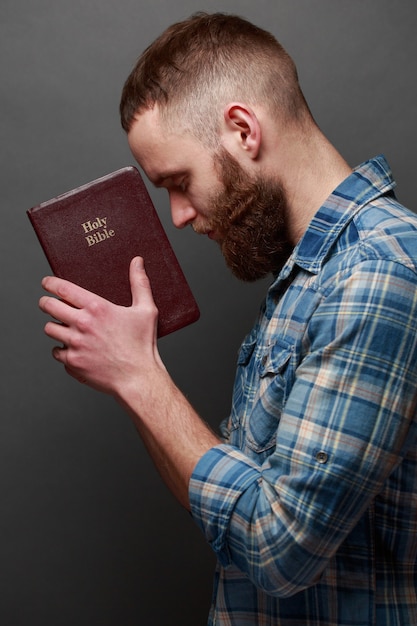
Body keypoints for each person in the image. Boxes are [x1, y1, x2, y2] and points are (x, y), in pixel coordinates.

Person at [38, 12, 417, 626]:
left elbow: (279, 549)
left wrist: (141, 378)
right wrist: (132, 374)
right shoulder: (309, 277)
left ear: (242, 130)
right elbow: (230, 518)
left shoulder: (375, 273)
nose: (179, 215)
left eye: (179, 181)